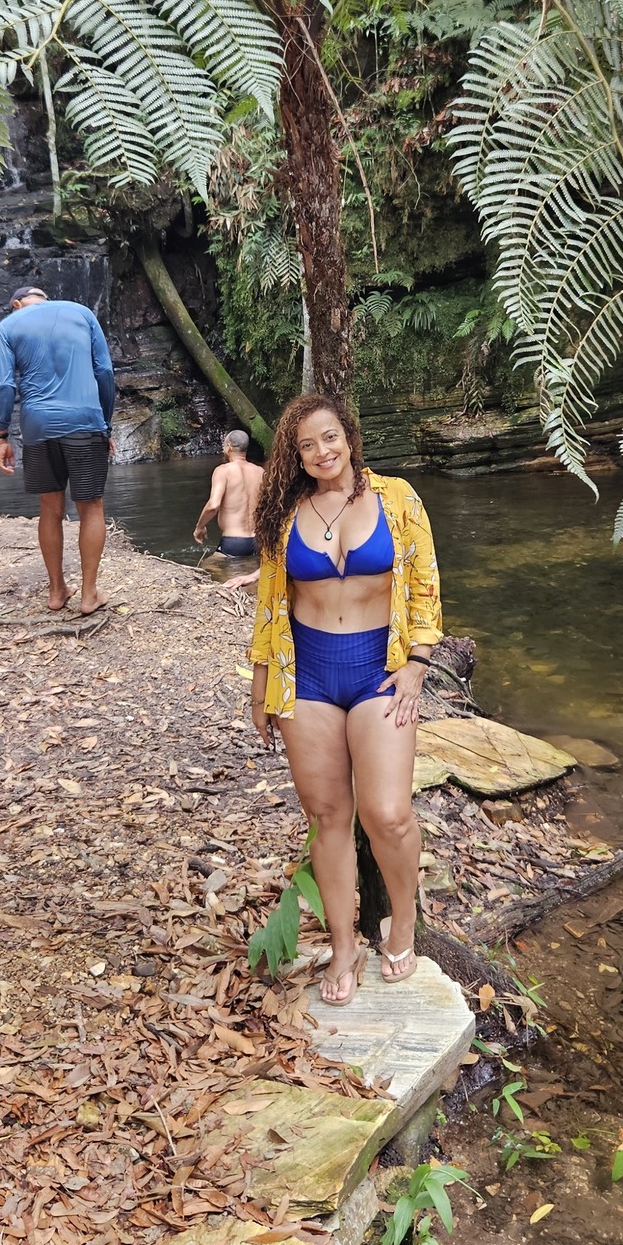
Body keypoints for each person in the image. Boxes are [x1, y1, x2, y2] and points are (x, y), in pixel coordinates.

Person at [249, 393, 443, 1005]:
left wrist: (418, 664)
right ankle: (343, 946)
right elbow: (269, 607)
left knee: (388, 813)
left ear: (349, 437)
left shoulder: (398, 498)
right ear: (296, 455)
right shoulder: (283, 512)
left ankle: (402, 924)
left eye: (329, 437)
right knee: (328, 816)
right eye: (306, 445)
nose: (321, 452)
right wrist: (260, 688)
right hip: (306, 677)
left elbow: (425, 585)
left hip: (377, 672)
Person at [0, 286, 116, 616]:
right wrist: (105, 425)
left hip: (38, 426)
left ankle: (57, 590)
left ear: (17, 304)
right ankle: (89, 594)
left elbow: (4, 385)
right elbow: (104, 372)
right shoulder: (82, 312)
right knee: (91, 507)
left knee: (50, 508)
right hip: (85, 420)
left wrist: (1, 435)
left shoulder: (8, 326)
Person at [194, 430, 262, 565]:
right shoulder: (260, 472)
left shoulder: (223, 471)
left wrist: (199, 527)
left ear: (229, 447)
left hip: (234, 541)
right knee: (250, 568)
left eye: (224, 446)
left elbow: (213, 505)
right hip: (259, 540)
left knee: (206, 565)